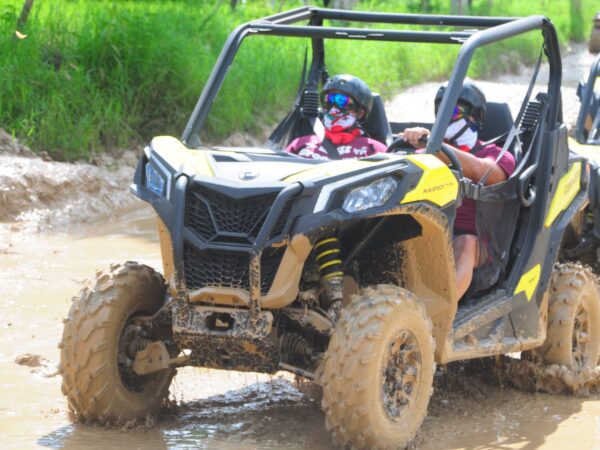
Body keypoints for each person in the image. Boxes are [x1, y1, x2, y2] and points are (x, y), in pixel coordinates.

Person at [402, 81, 516, 300]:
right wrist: (412, 145)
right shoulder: (427, 151)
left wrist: (434, 146)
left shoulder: (496, 154)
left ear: (474, 117)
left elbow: (481, 171)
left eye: (453, 111)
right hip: (430, 232)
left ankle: (438, 318)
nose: (444, 117)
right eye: (441, 111)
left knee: (466, 243)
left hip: (481, 243)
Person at [286, 74, 388, 159]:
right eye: (329, 101)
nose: (334, 109)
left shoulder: (375, 149)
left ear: (360, 113)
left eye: (342, 101)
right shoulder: (299, 144)